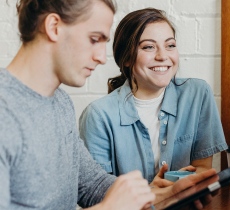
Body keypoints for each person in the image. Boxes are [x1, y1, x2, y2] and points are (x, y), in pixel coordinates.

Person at [0, 1, 216, 209]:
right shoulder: (5, 113)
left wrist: (162, 195)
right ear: (54, 27)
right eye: (94, 39)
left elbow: (91, 185)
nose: (102, 58)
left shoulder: (60, 103)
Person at [79, 8, 228, 183]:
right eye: (149, 47)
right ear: (126, 58)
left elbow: (203, 168)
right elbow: (97, 192)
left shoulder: (197, 94)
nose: (163, 56)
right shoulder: (98, 116)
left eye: (170, 45)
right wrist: (155, 195)